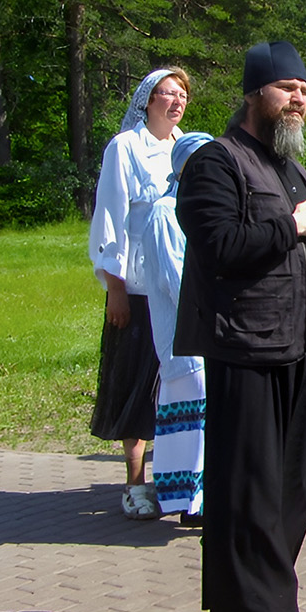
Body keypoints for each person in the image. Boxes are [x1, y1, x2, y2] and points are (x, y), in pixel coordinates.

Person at [175, 39, 306, 612]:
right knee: (252, 491)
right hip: (247, 348)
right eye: (287, 89)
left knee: (296, 485)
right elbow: (220, 244)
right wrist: (291, 227)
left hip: (299, 347)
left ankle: (244, 608)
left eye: (305, 90)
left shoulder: (289, 165)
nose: (299, 99)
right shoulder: (215, 163)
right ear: (256, 94)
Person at [88, 67, 189, 520]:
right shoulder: (125, 148)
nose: (176, 101)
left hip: (182, 285)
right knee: (136, 383)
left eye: (182, 94)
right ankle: (135, 481)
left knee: (179, 381)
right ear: (148, 100)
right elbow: (110, 218)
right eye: (167, 93)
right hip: (140, 286)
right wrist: (115, 288)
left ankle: (180, 476)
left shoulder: (186, 148)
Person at [139, 130, 213, 522]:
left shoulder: (201, 210)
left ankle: (200, 500)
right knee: (193, 422)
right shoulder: (165, 212)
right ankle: (191, 502)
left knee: (206, 421)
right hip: (186, 338)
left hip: (209, 334)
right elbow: (176, 279)